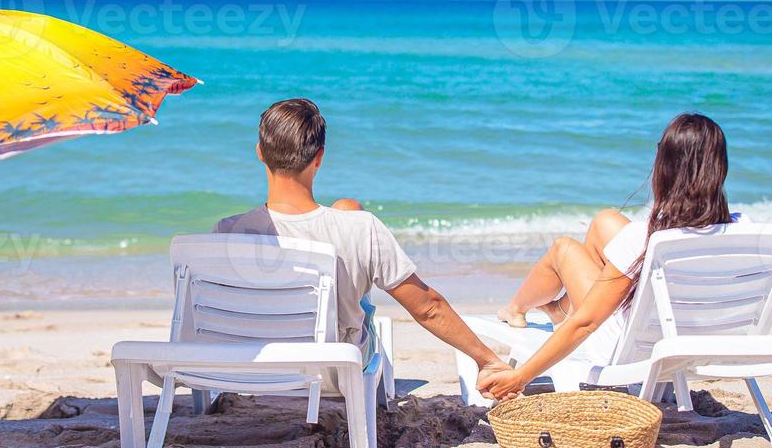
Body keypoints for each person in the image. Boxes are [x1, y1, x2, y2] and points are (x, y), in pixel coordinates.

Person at [216, 98, 510, 386]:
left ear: (259, 153)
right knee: (349, 216)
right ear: (318, 157)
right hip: (333, 373)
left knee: (347, 211)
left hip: (250, 368)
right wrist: (486, 360)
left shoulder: (227, 232)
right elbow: (427, 308)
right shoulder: (363, 229)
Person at [479, 113, 734, 402]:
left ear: (665, 166)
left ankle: (516, 309)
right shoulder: (741, 231)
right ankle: (558, 308)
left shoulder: (645, 239)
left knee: (564, 248)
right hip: (689, 338)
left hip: (625, 349)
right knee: (606, 221)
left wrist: (520, 376)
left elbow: (586, 324)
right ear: (720, 167)